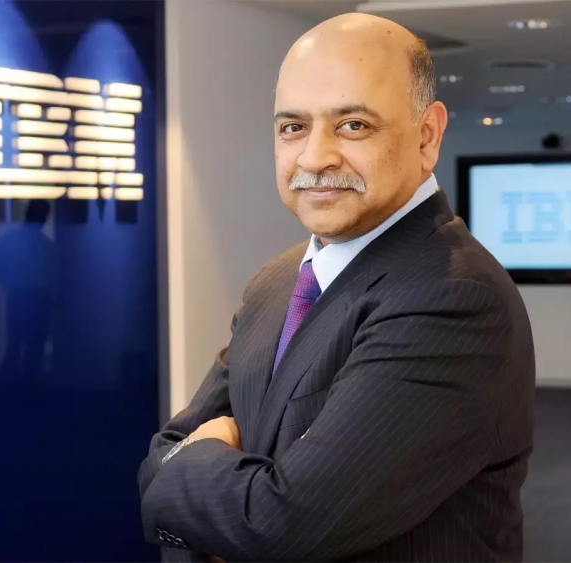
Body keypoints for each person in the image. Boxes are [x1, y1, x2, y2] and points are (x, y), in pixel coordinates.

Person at [138, 12, 535, 563]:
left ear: (427, 135)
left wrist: (201, 472)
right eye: (292, 127)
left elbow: (279, 527)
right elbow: (159, 458)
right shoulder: (277, 280)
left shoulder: (454, 296)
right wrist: (219, 490)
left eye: (353, 125)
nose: (314, 157)